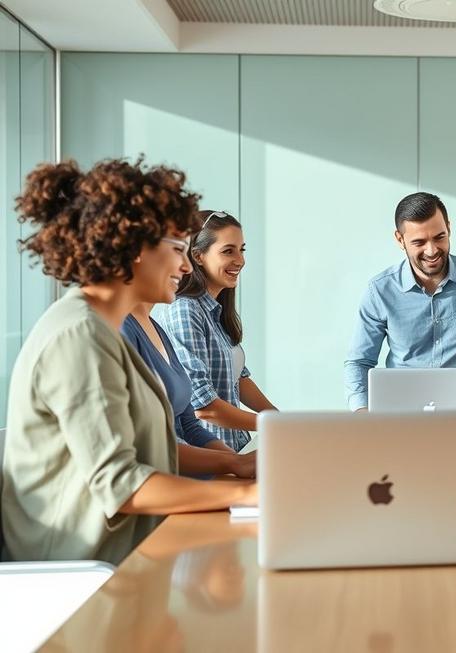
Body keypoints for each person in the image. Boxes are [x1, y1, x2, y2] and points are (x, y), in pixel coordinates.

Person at [1, 158, 256, 564]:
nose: (186, 265)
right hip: (85, 572)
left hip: (124, 552)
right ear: (134, 247)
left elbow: (152, 449)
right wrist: (247, 493)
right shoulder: (81, 337)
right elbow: (122, 484)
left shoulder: (102, 330)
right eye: (177, 249)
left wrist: (235, 465)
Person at [344, 192, 456, 411]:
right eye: (419, 242)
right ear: (400, 239)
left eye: (439, 237)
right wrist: (363, 412)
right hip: (400, 416)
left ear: (449, 228)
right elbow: (359, 361)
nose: (431, 251)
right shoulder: (379, 291)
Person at [161, 211, 277, 452]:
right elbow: (203, 405)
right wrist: (272, 424)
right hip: (209, 451)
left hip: (236, 445)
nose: (240, 260)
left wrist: (277, 416)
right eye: (228, 251)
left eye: (241, 250)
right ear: (198, 256)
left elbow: (240, 379)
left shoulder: (216, 310)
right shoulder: (185, 311)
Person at [122, 301, 256, 478]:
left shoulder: (156, 328)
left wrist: (239, 464)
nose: (186, 271)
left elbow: (189, 427)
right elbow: (145, 445)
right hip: (163, 484)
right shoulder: (122, 329)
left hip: (187, 475)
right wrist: (234, 463)